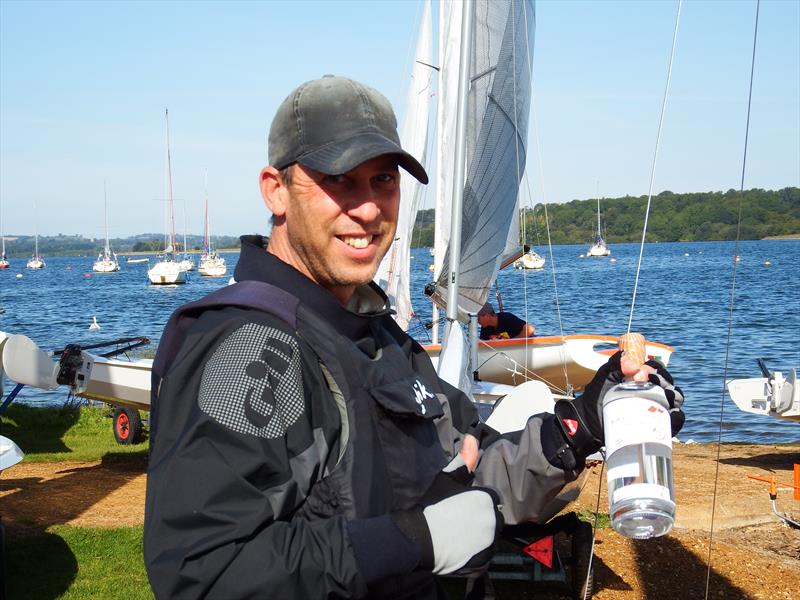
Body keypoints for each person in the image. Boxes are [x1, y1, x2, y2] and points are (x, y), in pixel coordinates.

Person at [143, 75, 685, 599]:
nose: (369, 207)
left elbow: (471, 467)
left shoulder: (375, 332)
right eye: (339, 180)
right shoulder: (248, 349)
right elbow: (208, 572)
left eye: (384, 180)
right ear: (276, 191)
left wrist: (582, 423)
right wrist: (414, 541)